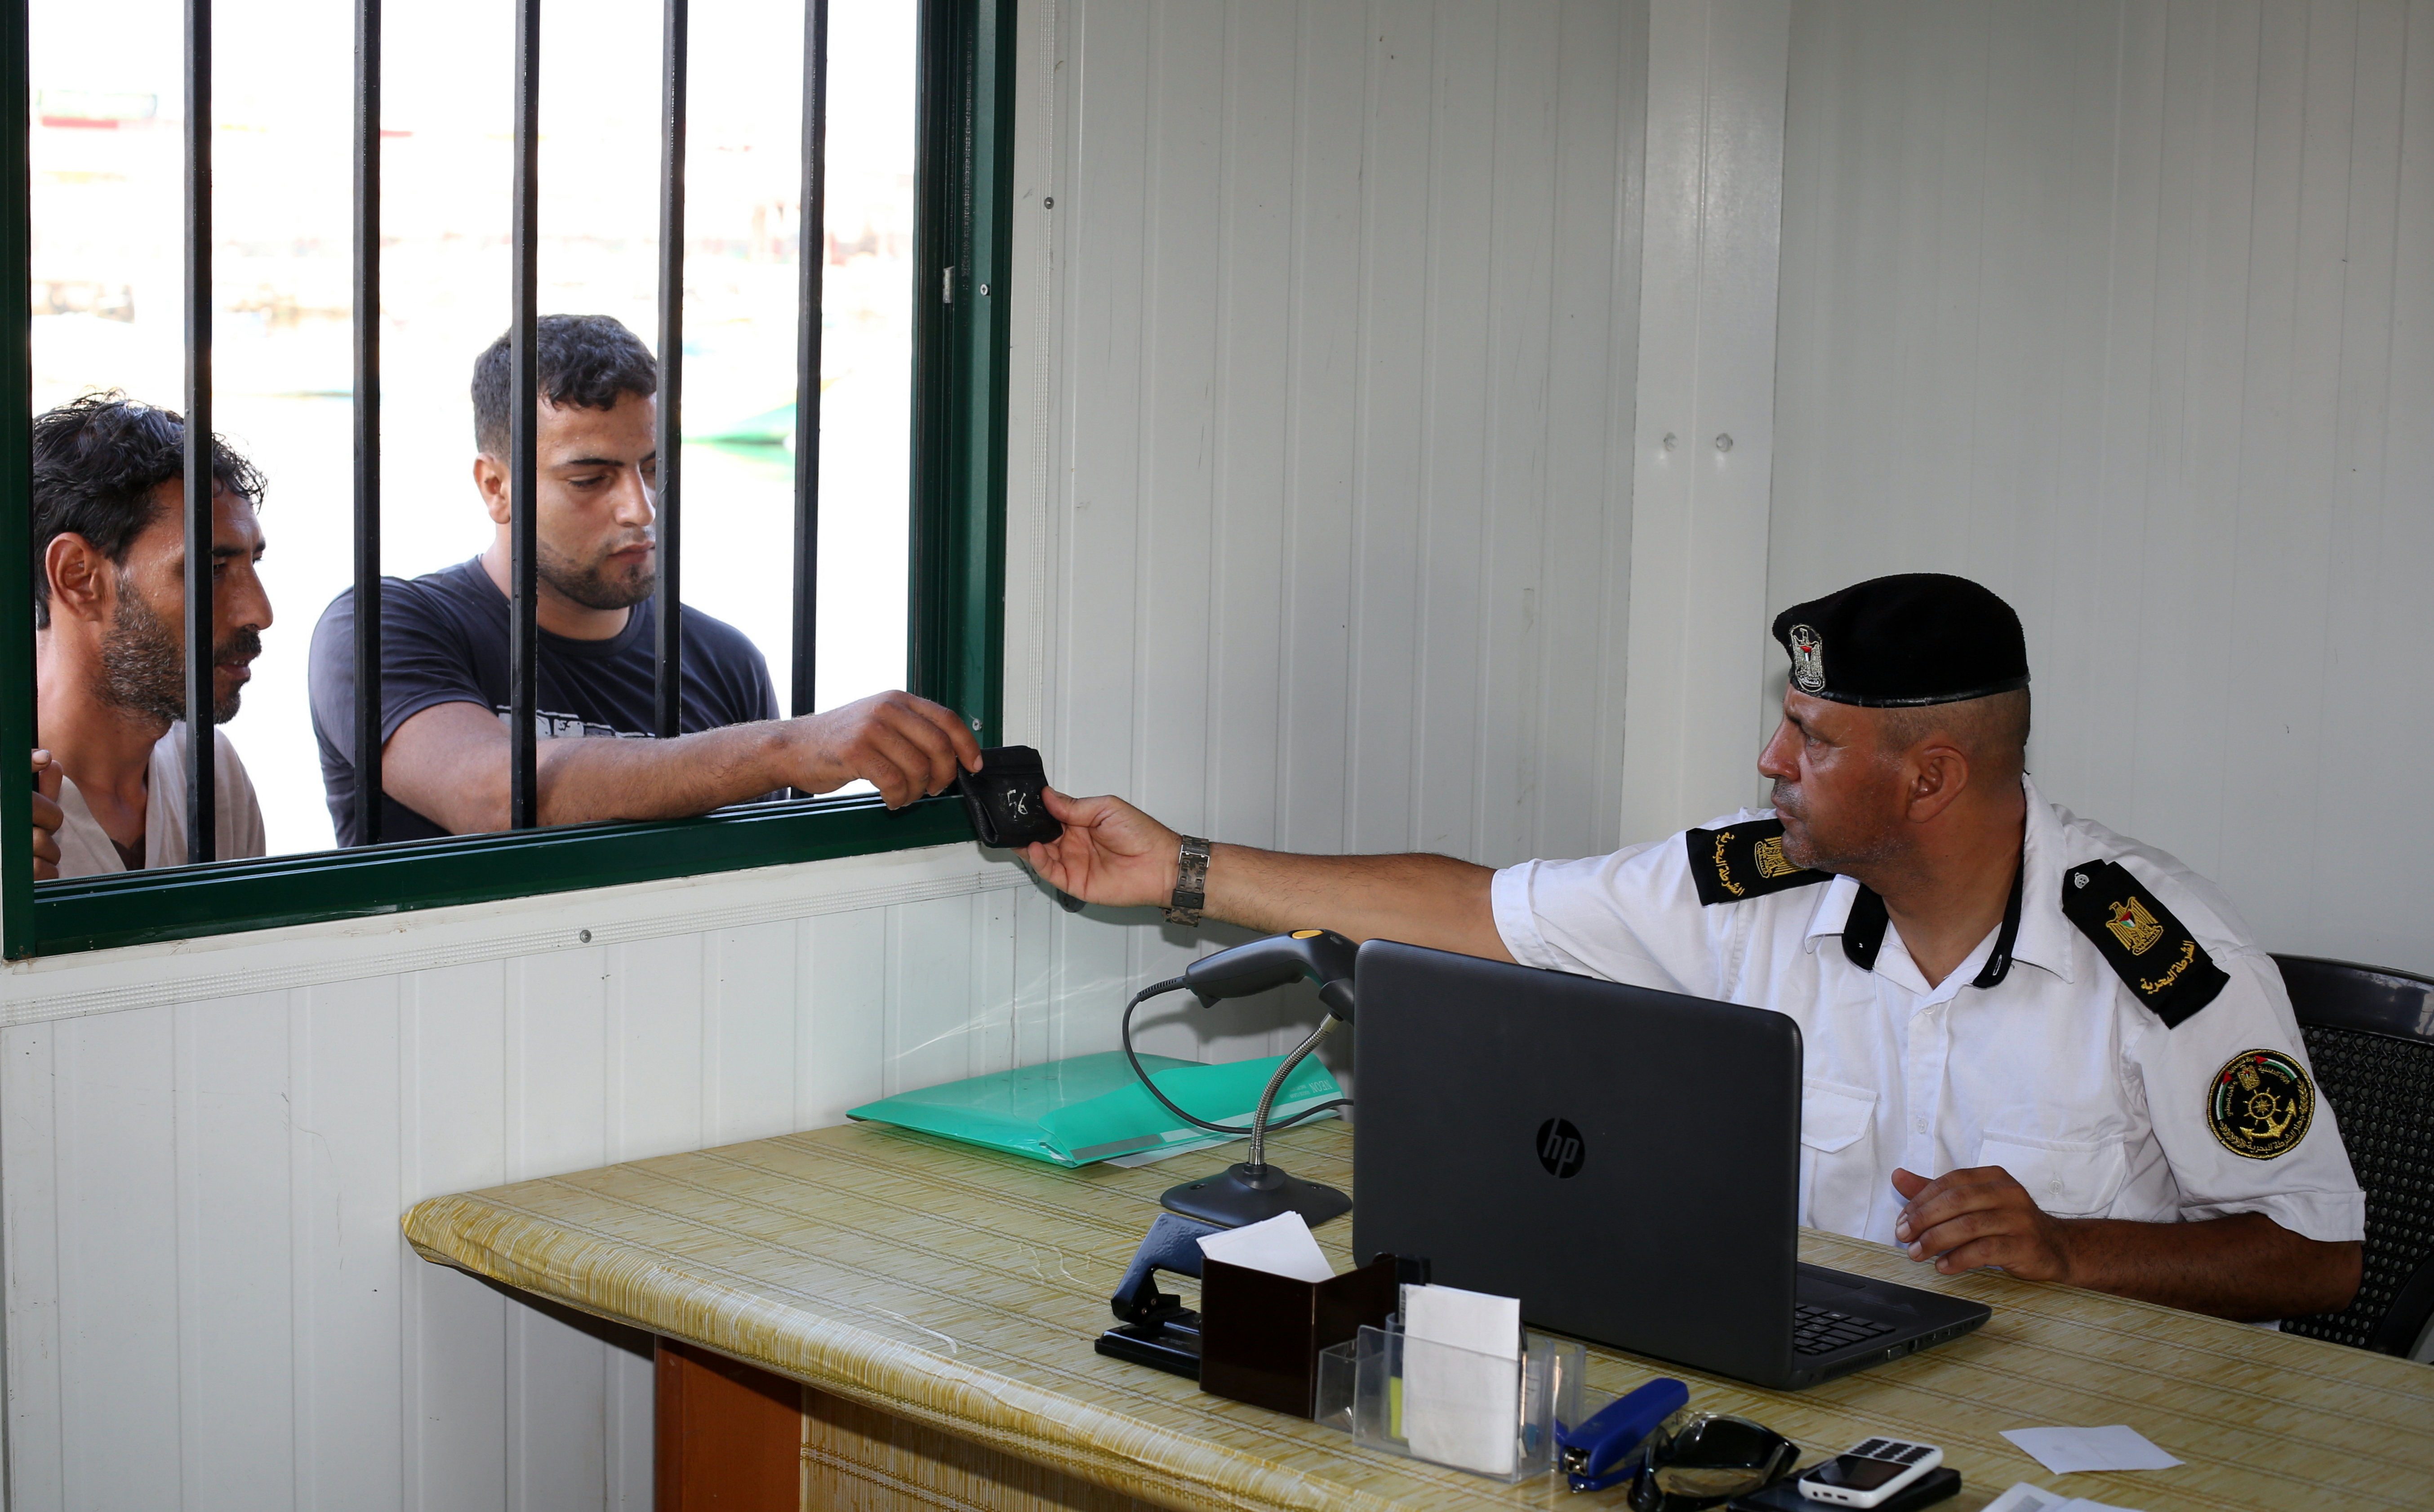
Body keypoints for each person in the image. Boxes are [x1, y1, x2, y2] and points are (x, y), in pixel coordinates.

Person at [1021, 574, 2365, 1324]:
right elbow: (1473, 910)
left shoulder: (2158, 955)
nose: (1767, 760)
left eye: (1812, 738)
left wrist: (2074, 1251)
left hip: (2085, 1438)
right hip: (1825, 1377)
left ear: (1930, 776)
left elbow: (2317, 1254)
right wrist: (1181, 867)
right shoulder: (1753, 881)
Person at [308, 314, 978, 844]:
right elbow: (493, 794)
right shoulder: (388, 626)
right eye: (590, 479)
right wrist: (789, 745)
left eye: (653, 469)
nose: (640, 508)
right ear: (496, 486)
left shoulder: (723, 660)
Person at [30, 391, 272, 876]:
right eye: (212, 567)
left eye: (253, 562)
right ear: (78, 577)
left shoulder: (211, 772)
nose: (260, 612)